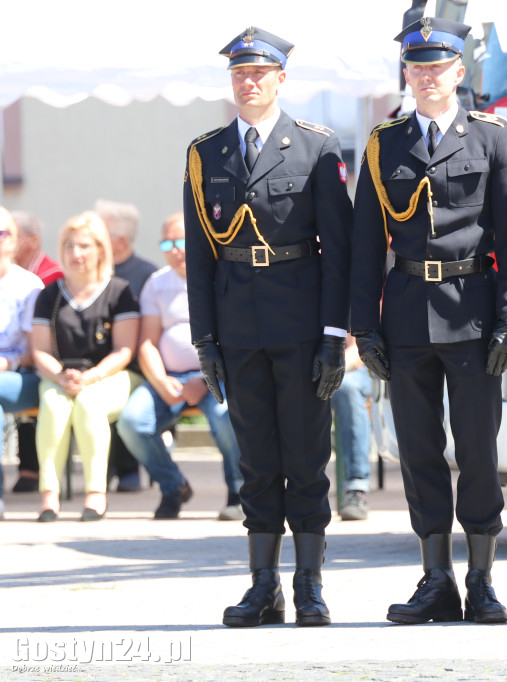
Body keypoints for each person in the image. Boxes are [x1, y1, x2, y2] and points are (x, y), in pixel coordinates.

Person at [350, 17, 507, 625]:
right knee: (419, 451)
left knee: (478, 450)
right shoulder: (384, 144)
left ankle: (481, 580)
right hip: (405, 315)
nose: (427, 77)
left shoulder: (492, 139)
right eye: (417, 67)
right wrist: (365, 326)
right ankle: (436, 579)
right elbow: (365, 243)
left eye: (438, 66)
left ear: (460, 71)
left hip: (473, 312)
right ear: (406, 73)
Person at [183, 26, 351, 628]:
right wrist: (205, 340)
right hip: (237, 327)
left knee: (305, 458)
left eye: (258, 73)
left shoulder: (316, 147)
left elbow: (339, 249)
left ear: (282, 78)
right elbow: (201, 257)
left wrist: (336, 335)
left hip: (302, 323)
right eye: (238, 74)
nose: (248, 82)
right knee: (256, 461)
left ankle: (309, 584)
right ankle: (262, 586)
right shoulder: (205, 153)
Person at [116, 212, 244, 521]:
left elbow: (236, 339)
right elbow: (147, 343)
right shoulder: (156, 284)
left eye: (183, 240)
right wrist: (160, 382)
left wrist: (204, 379)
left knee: (228, 420)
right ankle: (173, 487)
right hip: (169, 378)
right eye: (168, 242)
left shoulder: (222, 276)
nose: (177, 249)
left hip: (219, 376)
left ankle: (239, 492)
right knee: (131, 423)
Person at [31, 211, 141, 522]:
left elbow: (124, 350)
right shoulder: (49, 295)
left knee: (89, 405)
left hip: (111, 375)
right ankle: (48, 496)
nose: (75, 253)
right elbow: (39, 350)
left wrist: (90, 377)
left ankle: (96, 494)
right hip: (60, 376)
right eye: (69, 246)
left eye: (84, 246)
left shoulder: (119, 291)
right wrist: (59, 376)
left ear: (100, 250)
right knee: (53, 405)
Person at [94, 199, 157, 493]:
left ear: (118, 240)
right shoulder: (91, 275)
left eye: (99, 233)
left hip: (133, 364)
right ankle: (101, 471)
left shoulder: (146, 275)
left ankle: (127, 468)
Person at [9, 210, 60, 493]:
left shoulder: (50, 277)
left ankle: (31, 468)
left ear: (31, 241)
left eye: (10, 235)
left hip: (41, 357)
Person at [0, 207, 44, 513]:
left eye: (2, 233)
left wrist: (9, 364)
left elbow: (39, 350)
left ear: (15, 241)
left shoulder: (30, 286)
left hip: (23, 376)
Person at [332, 336, 371, 521]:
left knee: (347, 388)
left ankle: (357, 489)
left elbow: (359, 349)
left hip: (350, 368)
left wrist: (332, 368)